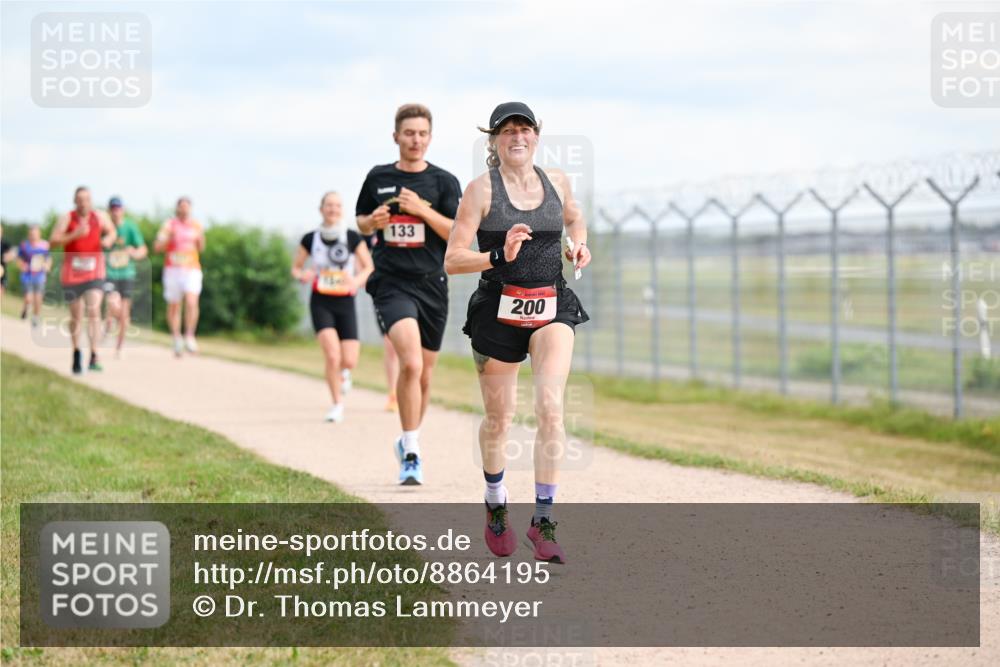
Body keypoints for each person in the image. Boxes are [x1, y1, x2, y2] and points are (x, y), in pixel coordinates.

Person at [444, 102, 591, 563]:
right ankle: (495, 502)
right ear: (494, 141)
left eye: (524, 129)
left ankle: (543, 518)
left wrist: (578, 244)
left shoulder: (557, 181)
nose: (516, 136)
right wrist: (498, 256)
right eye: (507, 131)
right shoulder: (479, 192)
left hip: (551, 303)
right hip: (498, 309)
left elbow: (574, 218)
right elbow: (452, 258)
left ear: (536, 136)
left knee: (550, 406)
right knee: (499, 418)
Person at [356, 103, 462, 486]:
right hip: (391, 282)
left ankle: (407, 438)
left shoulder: (444, 182)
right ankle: (413, 453)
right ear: (396, 136)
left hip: (432, 284)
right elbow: (362, 220)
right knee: (412, 365)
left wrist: (421, 211)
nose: (415, 140)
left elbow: (457, 233)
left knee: (425, 374)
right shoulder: (378, 177)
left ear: (429, 138)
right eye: (408, 133)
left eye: (422, 133)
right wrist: (373, 222)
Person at [292, 191, 374, 423]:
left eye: (337, 206)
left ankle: (345, 373)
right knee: (332, 355)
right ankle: (337, 404)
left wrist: (356, 281)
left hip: (345, 301)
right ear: (321, 209)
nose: (333, 209)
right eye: (329, 205)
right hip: (321, 301)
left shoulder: (352, 237)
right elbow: (296, 267)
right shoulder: (310, 238)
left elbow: (368, 266)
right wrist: (303, 274)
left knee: (349, 360)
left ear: (342, 210)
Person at [49, 186, 117, 374]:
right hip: (72, 273)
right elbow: (52, 241)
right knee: (76, 316)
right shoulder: (67, 218)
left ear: (91, 200)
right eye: (79, 199)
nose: (83, 202)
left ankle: (94, 354)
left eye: (86, 199)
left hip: (94, 272)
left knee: (94, 309)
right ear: (74, 201)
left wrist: (108, 240)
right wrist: (74, 234)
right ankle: (76, 351)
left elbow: (112, 232)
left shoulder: (100, 217)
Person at [154, 197, 204, 356]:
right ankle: (176, 338)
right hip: (173, 269)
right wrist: (169, 237)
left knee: (191, 301)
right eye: (181, 207)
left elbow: (201, 247)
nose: (184, 210)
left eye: (186, 207)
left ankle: (189, 335)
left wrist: (200, 238)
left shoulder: (196, 225)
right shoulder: (169, 225)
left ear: (190, 209)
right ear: (177, 209)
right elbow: (157, 246)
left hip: (191, 269)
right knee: (174, 306)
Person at [103, 196, 148, 356]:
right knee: (113, 303)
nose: (116, 211)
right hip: (109, 273)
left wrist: (133, 253)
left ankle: (119, 348)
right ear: (109, 210)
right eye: (113, 208)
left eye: (118, 208)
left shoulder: (130, 227)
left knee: (124, 313)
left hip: (127, 274)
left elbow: (143, 249)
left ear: (123, 210)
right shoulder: (105, 227)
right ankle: (109, 320)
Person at [363, 232, 400, 412]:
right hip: (385, 293)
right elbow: (361, 263)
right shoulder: (368, 234)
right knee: (391, 345)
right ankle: (392, 394)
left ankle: (412, 389)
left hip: (417, 289)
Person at [17, 225, 52, 327]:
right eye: (31, 234)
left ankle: (35, 317)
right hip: (27, 275)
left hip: (40, 276)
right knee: (28, 298)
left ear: (39, 234)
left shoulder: (44, 245)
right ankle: (26, 308)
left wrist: (47, 266)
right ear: (29, 235)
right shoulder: (24, 245)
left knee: (38, 298)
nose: (33, 236)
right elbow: (19, 258)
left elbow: (48, 259)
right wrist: (22, 265)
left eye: (35, 234)